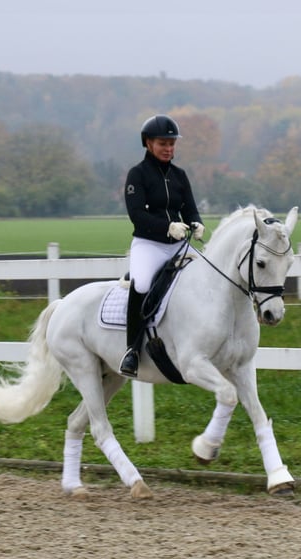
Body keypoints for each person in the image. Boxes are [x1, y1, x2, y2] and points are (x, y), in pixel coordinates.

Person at [119, 114, 205, 377]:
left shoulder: (180, 175)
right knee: (143, 284)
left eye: (172, 144)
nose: (168, 149)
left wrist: (196, 223)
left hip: (178, 245)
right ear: (148, 143)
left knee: (207, 277)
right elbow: (137, 214)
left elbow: (190, 208)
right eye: (162, 144)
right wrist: (165, 226)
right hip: (149, 244)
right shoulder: (138, 174)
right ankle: (131, 350)